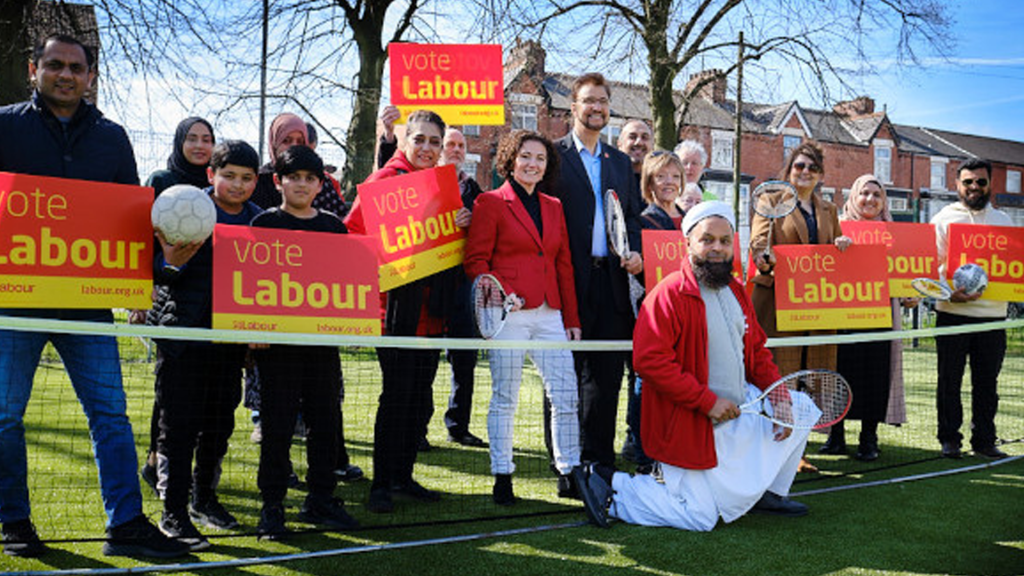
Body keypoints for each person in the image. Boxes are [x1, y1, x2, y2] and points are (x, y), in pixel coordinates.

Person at [0, 33, 188, 559]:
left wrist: (146, 276)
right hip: (15, 301)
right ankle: (13, 520)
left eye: (75, 67)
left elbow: (128, 219)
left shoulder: (113, 137)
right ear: (33, 68)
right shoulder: (5, 125)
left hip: (86, 302)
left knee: (110, 414)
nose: (65, 74)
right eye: (54, 65)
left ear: (90, 77)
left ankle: (125, 523)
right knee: (4, 417)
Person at [576, 202, 816, 531]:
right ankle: (610, 486)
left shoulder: (736, 290)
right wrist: (707, 402)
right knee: (700, 518)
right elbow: (650, 362)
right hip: (691, 424)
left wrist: (779, 399)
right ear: (688, 242)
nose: (716, 248)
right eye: (707, 240)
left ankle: (768, 494)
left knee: (801, 409)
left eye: (724, 240)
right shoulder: (668, 293)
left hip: (737, 414)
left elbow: (757, 352)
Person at [345, 109, 466, 513]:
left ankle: (403, 475)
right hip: (394, 313)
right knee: (395, 398)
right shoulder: (383, 182)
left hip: (432, 314)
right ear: (403, 141)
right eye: (420, 140)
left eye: (435, 142)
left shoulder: (444, 186)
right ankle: (381, 483)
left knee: (419, 399)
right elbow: (351, 234)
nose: (428, 149)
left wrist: (462, 222)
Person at [148, 140, 263, 550]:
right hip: (183, 338)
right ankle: (173, 513)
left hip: (230, 344)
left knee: (220, 424)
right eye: (229, 175)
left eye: (247, 178)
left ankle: (204, 499)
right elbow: (156, 272)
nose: (237, 184)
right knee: (178, 428)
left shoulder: (258, 221)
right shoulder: (182, 206)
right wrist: (171, 263)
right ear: (211, 175)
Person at [464, 130, 583, 505]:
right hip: (509, 315)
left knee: (566, 395)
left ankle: (569, 473)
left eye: (540, 159)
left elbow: (563, 263)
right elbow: (476, 261)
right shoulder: (490, 202)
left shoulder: (554, 206)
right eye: (526, 157)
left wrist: (571, 318)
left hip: (551, 313)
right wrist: (497, 296)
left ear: (548, 166)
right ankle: (502, 475)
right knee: (505, 398)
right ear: (511, 160)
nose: (533, 164)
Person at [252, 145, 359, 539]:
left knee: (326, 422)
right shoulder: (263, 224)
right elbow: (247, 285)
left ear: (320, 184)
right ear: (278, 181)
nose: (301, 184)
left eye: (309, 179)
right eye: (293, 177)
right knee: (277, 425)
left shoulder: (333, 226)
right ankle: (273, 506)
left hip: (321, 346)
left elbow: (346, 282)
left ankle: (321, 499)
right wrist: (254, 334)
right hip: (276, 350)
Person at [554, 73, 643, 487]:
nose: (597, 107)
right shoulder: (553, 157)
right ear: (573, 107)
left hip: (610, 284)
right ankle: (567, 467)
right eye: (588, 100)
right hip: (567, 282)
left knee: (606, 380)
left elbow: (633, 219)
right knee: (564, 381)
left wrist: (637, 253)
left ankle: (601, 465)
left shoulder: (621, 163)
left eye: (603, 101)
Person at [749, 142, 851, 473]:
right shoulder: (770, 201)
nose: (804, 172)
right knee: (783, 376)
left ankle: (799, 452)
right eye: (798, 166)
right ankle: (773, 450)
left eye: (811, 167)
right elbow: (758, 245)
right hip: (778, 305)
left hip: (818, 308)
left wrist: (842, 245)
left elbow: (835, 252)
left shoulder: (829, 210)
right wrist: (764, 260)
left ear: (820, 174)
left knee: (813, 376)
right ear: (789, 170)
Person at [139, 116, 216, 498]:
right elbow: (140, 241)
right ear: (178, 142)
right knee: (167, 394)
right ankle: (156, 461)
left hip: (208, 310)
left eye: (207, 139)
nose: (200, 146)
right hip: (168, 303)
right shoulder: (161, 181)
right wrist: (144, 288)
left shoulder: (220, 188)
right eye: (192, 138)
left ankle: (193, 473)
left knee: (201, 398)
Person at [828, 174, 917, 461]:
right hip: (843, 315)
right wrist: (836, 247)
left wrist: (910, 294)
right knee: (839, 371)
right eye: (864, 193)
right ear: (853, 197)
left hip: (880, 315)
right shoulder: (837, 228)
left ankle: (869, 438)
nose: (870, 199)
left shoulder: (896, 234)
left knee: (875, 374)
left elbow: (907, 272)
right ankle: (836, 436)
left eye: (876, 195)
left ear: (884, 201)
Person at [931, 158, 1013, 460]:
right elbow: (930, 268)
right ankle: (949, 439)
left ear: (990, 184)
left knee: (987, 384)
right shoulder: (942, 219)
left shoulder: (1005, 222)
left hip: (993, 318)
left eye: (980, 181)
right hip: (952, 314)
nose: (974, 187)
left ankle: (984, 440)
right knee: (948, 382)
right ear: (957, 185)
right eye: (968, 182)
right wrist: (949, 291)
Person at [438, 127, 487, 449]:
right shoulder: (426, 185)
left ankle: (458, 425)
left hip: (464, 286)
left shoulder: (474, 188)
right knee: (423, 361)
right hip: (431, 284)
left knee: (465, 360)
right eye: (450, 144)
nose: (456, 149)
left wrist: (474, 223)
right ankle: (414, 429)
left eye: (460, 145)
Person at [249, 113, 347, 218]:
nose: (294, 146)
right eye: (286, 141)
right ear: (275, 143)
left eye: (300, 141)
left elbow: (340, 221)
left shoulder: (321, 181)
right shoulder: (258, 182)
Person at [639, 150, 686, 230]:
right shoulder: (644, 222)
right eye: (661, 176)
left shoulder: (690, 220)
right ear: (650, 183)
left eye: (676, 176)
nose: (669, 182)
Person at [617, 119, 653, 183]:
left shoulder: (658, 183)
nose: (639, 142)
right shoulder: (607, 176)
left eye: (644, 137)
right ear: (619, 143)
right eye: (632, 137)